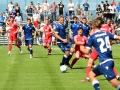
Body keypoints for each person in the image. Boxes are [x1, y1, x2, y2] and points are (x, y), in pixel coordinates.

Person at [80, 18, 120, 90]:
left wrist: (81, 48)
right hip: (108, 61)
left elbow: (86, 51)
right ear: (100, 26)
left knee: (114, 83)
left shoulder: (92, 37)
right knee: (91, 74)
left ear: (92, 26)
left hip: (105, 62)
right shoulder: (106, 34)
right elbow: (118, 37)